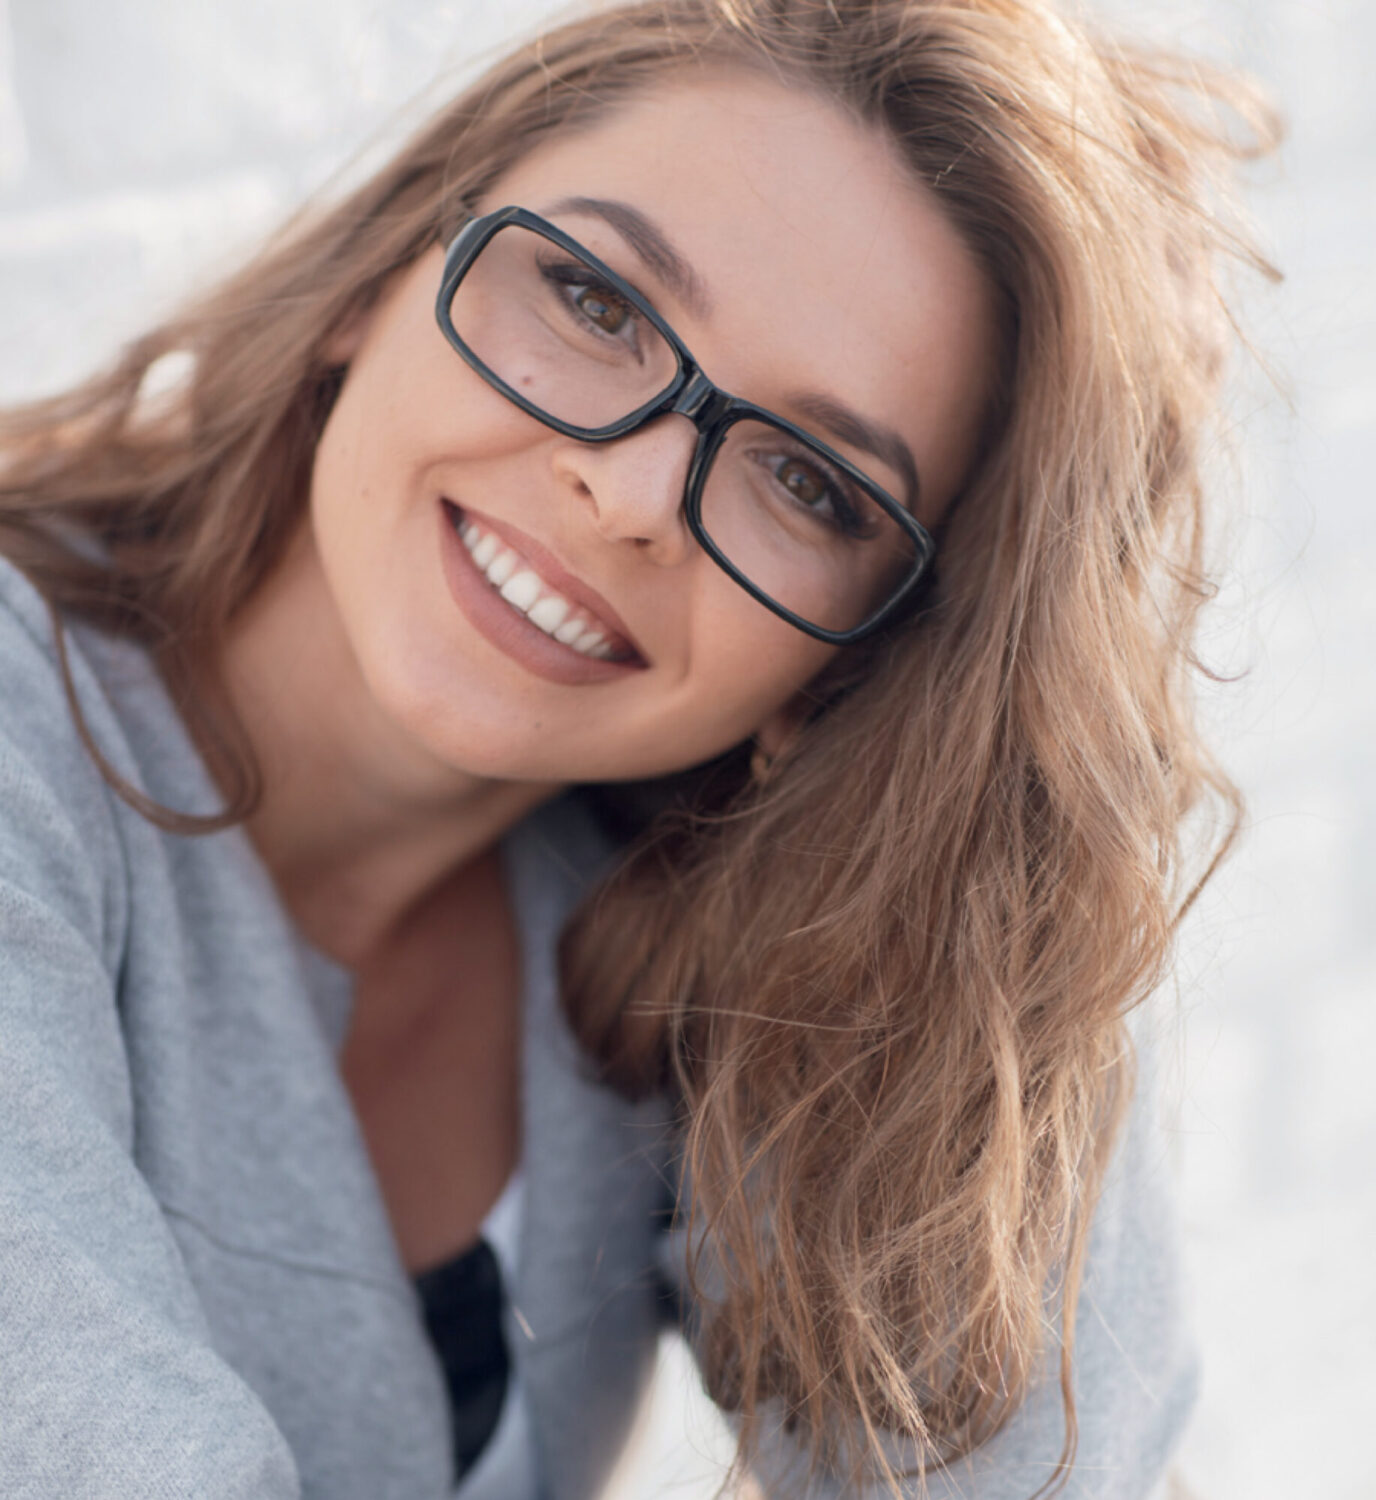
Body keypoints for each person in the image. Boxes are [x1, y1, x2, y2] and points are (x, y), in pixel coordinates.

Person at [0, 1, 1274, 1496]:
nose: (635, 492)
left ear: (862, 660)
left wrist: (1012, 882)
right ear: (384, 265)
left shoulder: (700, 924)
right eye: (598, 301)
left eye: (807, 481)